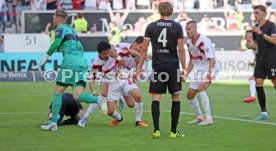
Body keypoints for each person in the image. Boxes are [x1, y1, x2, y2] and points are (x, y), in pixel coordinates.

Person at [36, 9, 106, 131]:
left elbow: (56, 43)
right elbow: (76, 46)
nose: (53, 19)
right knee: (77, 96)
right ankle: (99, 99)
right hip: (82, 64)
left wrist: (45, 57)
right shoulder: (72, 30)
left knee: (58, 92)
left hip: (70, 64)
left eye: (53, 17)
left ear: (57, 17)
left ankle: (53, 123)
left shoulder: (60, 29)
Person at [136, 2, 186, 139]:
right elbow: (181, 50)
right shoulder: (177, 27)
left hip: (158, 65)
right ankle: (173, 132)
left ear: (158, 11)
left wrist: (139, 67)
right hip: (173, 65)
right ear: (171, 11)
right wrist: (185, 68)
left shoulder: (151, 26)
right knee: (176, 97)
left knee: (156, 97)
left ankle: (156, 130)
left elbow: (144, 49)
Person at [78, 40, 148, 127]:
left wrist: (140, 56)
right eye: (105, 54)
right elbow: (92, 78)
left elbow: (127, 51)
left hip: (123, 78)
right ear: (99, 53)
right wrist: (93, 91)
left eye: (108, 53)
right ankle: (118, 117)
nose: (107, 55)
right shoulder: (95, 64)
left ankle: (138, 121)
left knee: (134, 101)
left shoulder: (114, 52)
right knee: (107, 109)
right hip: (110, 80)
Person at [185, 20, 219, 125]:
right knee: (190, 95)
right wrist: (185, 73)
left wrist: (209, 75)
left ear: (195, 29)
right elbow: (192, 60)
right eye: (186, 29)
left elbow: (212, 60)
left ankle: (208, 118)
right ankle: (199, 117)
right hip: (199, 69)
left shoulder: (204, 41)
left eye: (189, 29)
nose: (187, 31)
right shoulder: (189, 43)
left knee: (201, 88)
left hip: (210, 68)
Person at [248, 5, 276, 120]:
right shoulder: (255, 28)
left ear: (264, 13)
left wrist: (261, 34)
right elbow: (255, 44)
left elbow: (274, 41)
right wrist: (249, 45)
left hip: (272, 59)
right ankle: (263, 112)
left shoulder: (271, 25)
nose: (255, 15)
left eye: (257, 13)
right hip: (260, 60)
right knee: (258, 83)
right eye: (254, 13)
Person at [243, 30, 258, 103]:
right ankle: (252, 96)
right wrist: (254, 62)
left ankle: (252, 96)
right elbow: (257, 54)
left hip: (269, 62)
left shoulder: (258, 41)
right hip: (263, 64)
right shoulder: (250, 44)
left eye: (246, 35)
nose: (245, 37)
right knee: (252, 79)